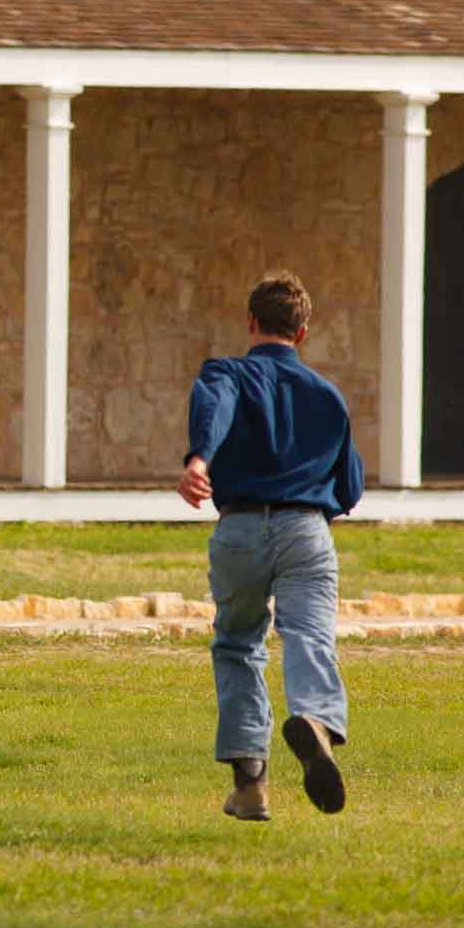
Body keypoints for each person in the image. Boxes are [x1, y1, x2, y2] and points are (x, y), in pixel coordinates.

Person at [178, 270, 363, 823]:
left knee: (237, 644)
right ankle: (315, 721)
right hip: (306, 529)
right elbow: (350, 486)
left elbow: (217, 408)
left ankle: (251, 785)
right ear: (302, 332)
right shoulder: (328, 397)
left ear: (251, 322)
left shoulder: (227, 374)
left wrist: (199, 459)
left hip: (238, 528)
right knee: (310, 635)